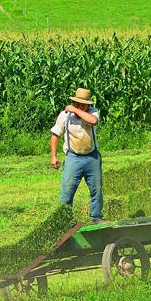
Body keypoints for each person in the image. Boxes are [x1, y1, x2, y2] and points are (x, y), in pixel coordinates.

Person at [50, 87, 103, 223]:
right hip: (73, 157)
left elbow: (93, 121)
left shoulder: (93, 112)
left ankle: (96, 217)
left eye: (82, 105)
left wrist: (75, 110)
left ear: (88, 105)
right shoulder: (65, 115)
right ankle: (64, 220)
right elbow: (55, 135)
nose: (79, 106)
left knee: (96, 189)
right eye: (77, 104)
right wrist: (54, 156)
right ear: (74, 102)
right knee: (67, 191)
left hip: (92, 157)